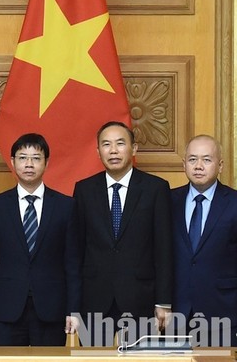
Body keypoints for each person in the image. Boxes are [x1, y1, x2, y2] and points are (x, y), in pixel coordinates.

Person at [73, 121, 172, 345]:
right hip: (94, 301)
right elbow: (77, 250)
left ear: (134, 149)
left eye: (120, 143)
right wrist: (74, 304)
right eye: (106, 145)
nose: (113, 150)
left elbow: (164, 249)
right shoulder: (84, 190)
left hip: (141, 299)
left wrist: (163, 302)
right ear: (98, 152)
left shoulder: (156, 189)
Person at [0, 133, 81, 346]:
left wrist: (73, 310)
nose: (29, 164)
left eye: (36, 158)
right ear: (13, 161)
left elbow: (72, 264)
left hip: (52, 308)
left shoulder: (66, 206)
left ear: (46, 163)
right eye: (23, 157)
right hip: (7, 308)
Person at [171, 135, 237, 346]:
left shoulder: (234, 203)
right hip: (175, 315)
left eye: (206, 160)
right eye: (192, 159)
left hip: (223, 314)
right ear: (184, 164)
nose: (198, 166)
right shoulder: (167, 201)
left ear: (220, 165)